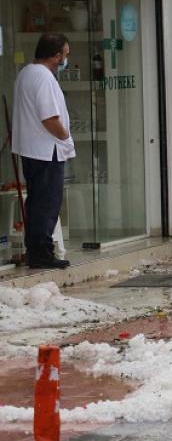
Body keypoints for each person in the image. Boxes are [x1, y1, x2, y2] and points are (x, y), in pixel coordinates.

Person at [12, 33, 75, 269]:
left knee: (37, 201)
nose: (66, 60)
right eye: (65, 55)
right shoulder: (44, 77)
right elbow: (49, 117)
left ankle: (36, 250)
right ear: (56, 55)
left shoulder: (26, 73)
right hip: (47, 150)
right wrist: (65, 136)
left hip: (33, 149)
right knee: (47, 203)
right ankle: (41, 253)